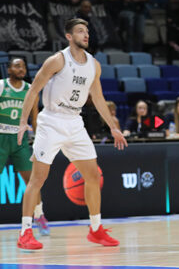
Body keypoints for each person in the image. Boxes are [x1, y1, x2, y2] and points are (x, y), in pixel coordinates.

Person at [16, 18, 128, 250]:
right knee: (38, 178)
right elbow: (33, 90)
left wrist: (113, 127)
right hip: (51, 122)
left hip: (75, 122)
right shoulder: (57, 60)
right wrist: (22, 122)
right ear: (68, 36)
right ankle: (25, 232)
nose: (85, 35)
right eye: (80, 31)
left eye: (87, 31)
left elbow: (97, 98)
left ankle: (96, 229)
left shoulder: (93, 65)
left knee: (93, 176)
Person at [0, 58, 49, 236]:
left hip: (20, 140)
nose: (22, 69)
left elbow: (35, 118)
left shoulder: (30, 89)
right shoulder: (1, 85)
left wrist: (38, 140)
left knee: (32, 180)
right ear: (9, 69)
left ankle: (40, 215)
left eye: (23, 66)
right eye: (17, 66)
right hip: (1, 137)